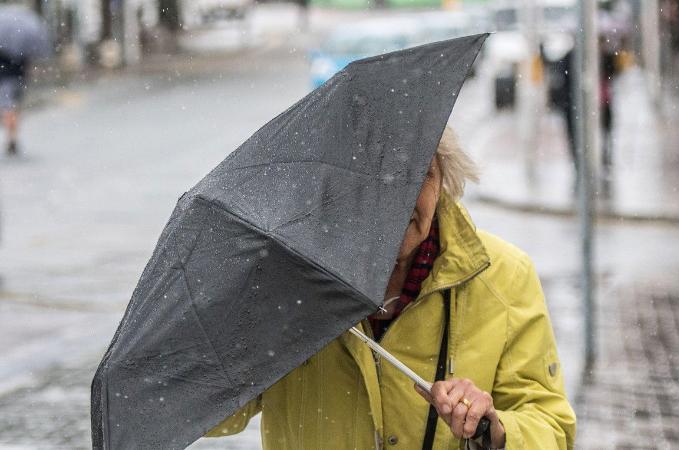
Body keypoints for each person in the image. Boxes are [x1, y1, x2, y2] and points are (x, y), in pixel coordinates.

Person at [205, 126, 576, 449]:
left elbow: (551, 429)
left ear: (444, 180)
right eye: (373, 176)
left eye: (419, 174)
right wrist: (238, 316)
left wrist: (494, 429)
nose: (397, 199)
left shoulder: (504, 277)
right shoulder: (287, 281)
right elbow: (216, 414)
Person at [0, 52, 26, 156]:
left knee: (8, 109)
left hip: (6, 80)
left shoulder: (4, 47)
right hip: (17, 80)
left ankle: (11, 137)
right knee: (13, 109)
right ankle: (12, 137)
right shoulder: (20, 49)